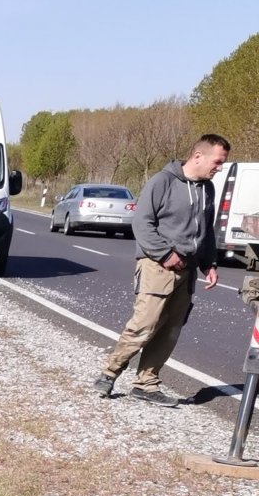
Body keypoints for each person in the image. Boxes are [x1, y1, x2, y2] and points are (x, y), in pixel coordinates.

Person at [94, 133, 230, 405]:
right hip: (158, 265)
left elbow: (207, 232)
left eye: (222, 163)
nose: (219, 168)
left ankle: (146, 383)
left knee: (170, 329)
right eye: (217, 162)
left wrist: (209, 263)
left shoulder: (208, 189)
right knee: (145, 324)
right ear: (198, 156)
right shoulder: (163, 181)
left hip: (188, 270)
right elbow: (142, 224)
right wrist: (165, 254)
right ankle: (109, 373)